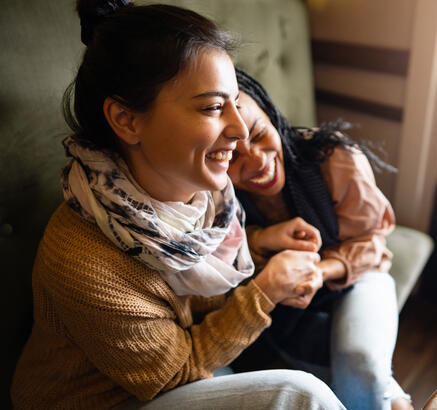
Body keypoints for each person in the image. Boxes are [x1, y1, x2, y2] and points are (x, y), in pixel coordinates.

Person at [10, 2, 346, 409]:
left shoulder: (205, 195)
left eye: (234, 103)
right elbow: (175, 372)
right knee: (298, 394)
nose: (240, 131)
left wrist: (260, 242)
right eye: (211, 107)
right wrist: (266, 289)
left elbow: (190, 274)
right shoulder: (82, 259)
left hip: (188, 366)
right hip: (109, 399)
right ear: (126, 120)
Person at [226, 68, 413, 410]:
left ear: (272, 115)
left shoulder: (336, 159)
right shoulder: (217, 196)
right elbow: (222, 250)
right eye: (233, 155)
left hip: (359, 275)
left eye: (258, 134)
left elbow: (373, 243)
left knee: (362, 365)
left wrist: (321, 271)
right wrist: (261, 237)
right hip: (274, 293)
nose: (256, 161)